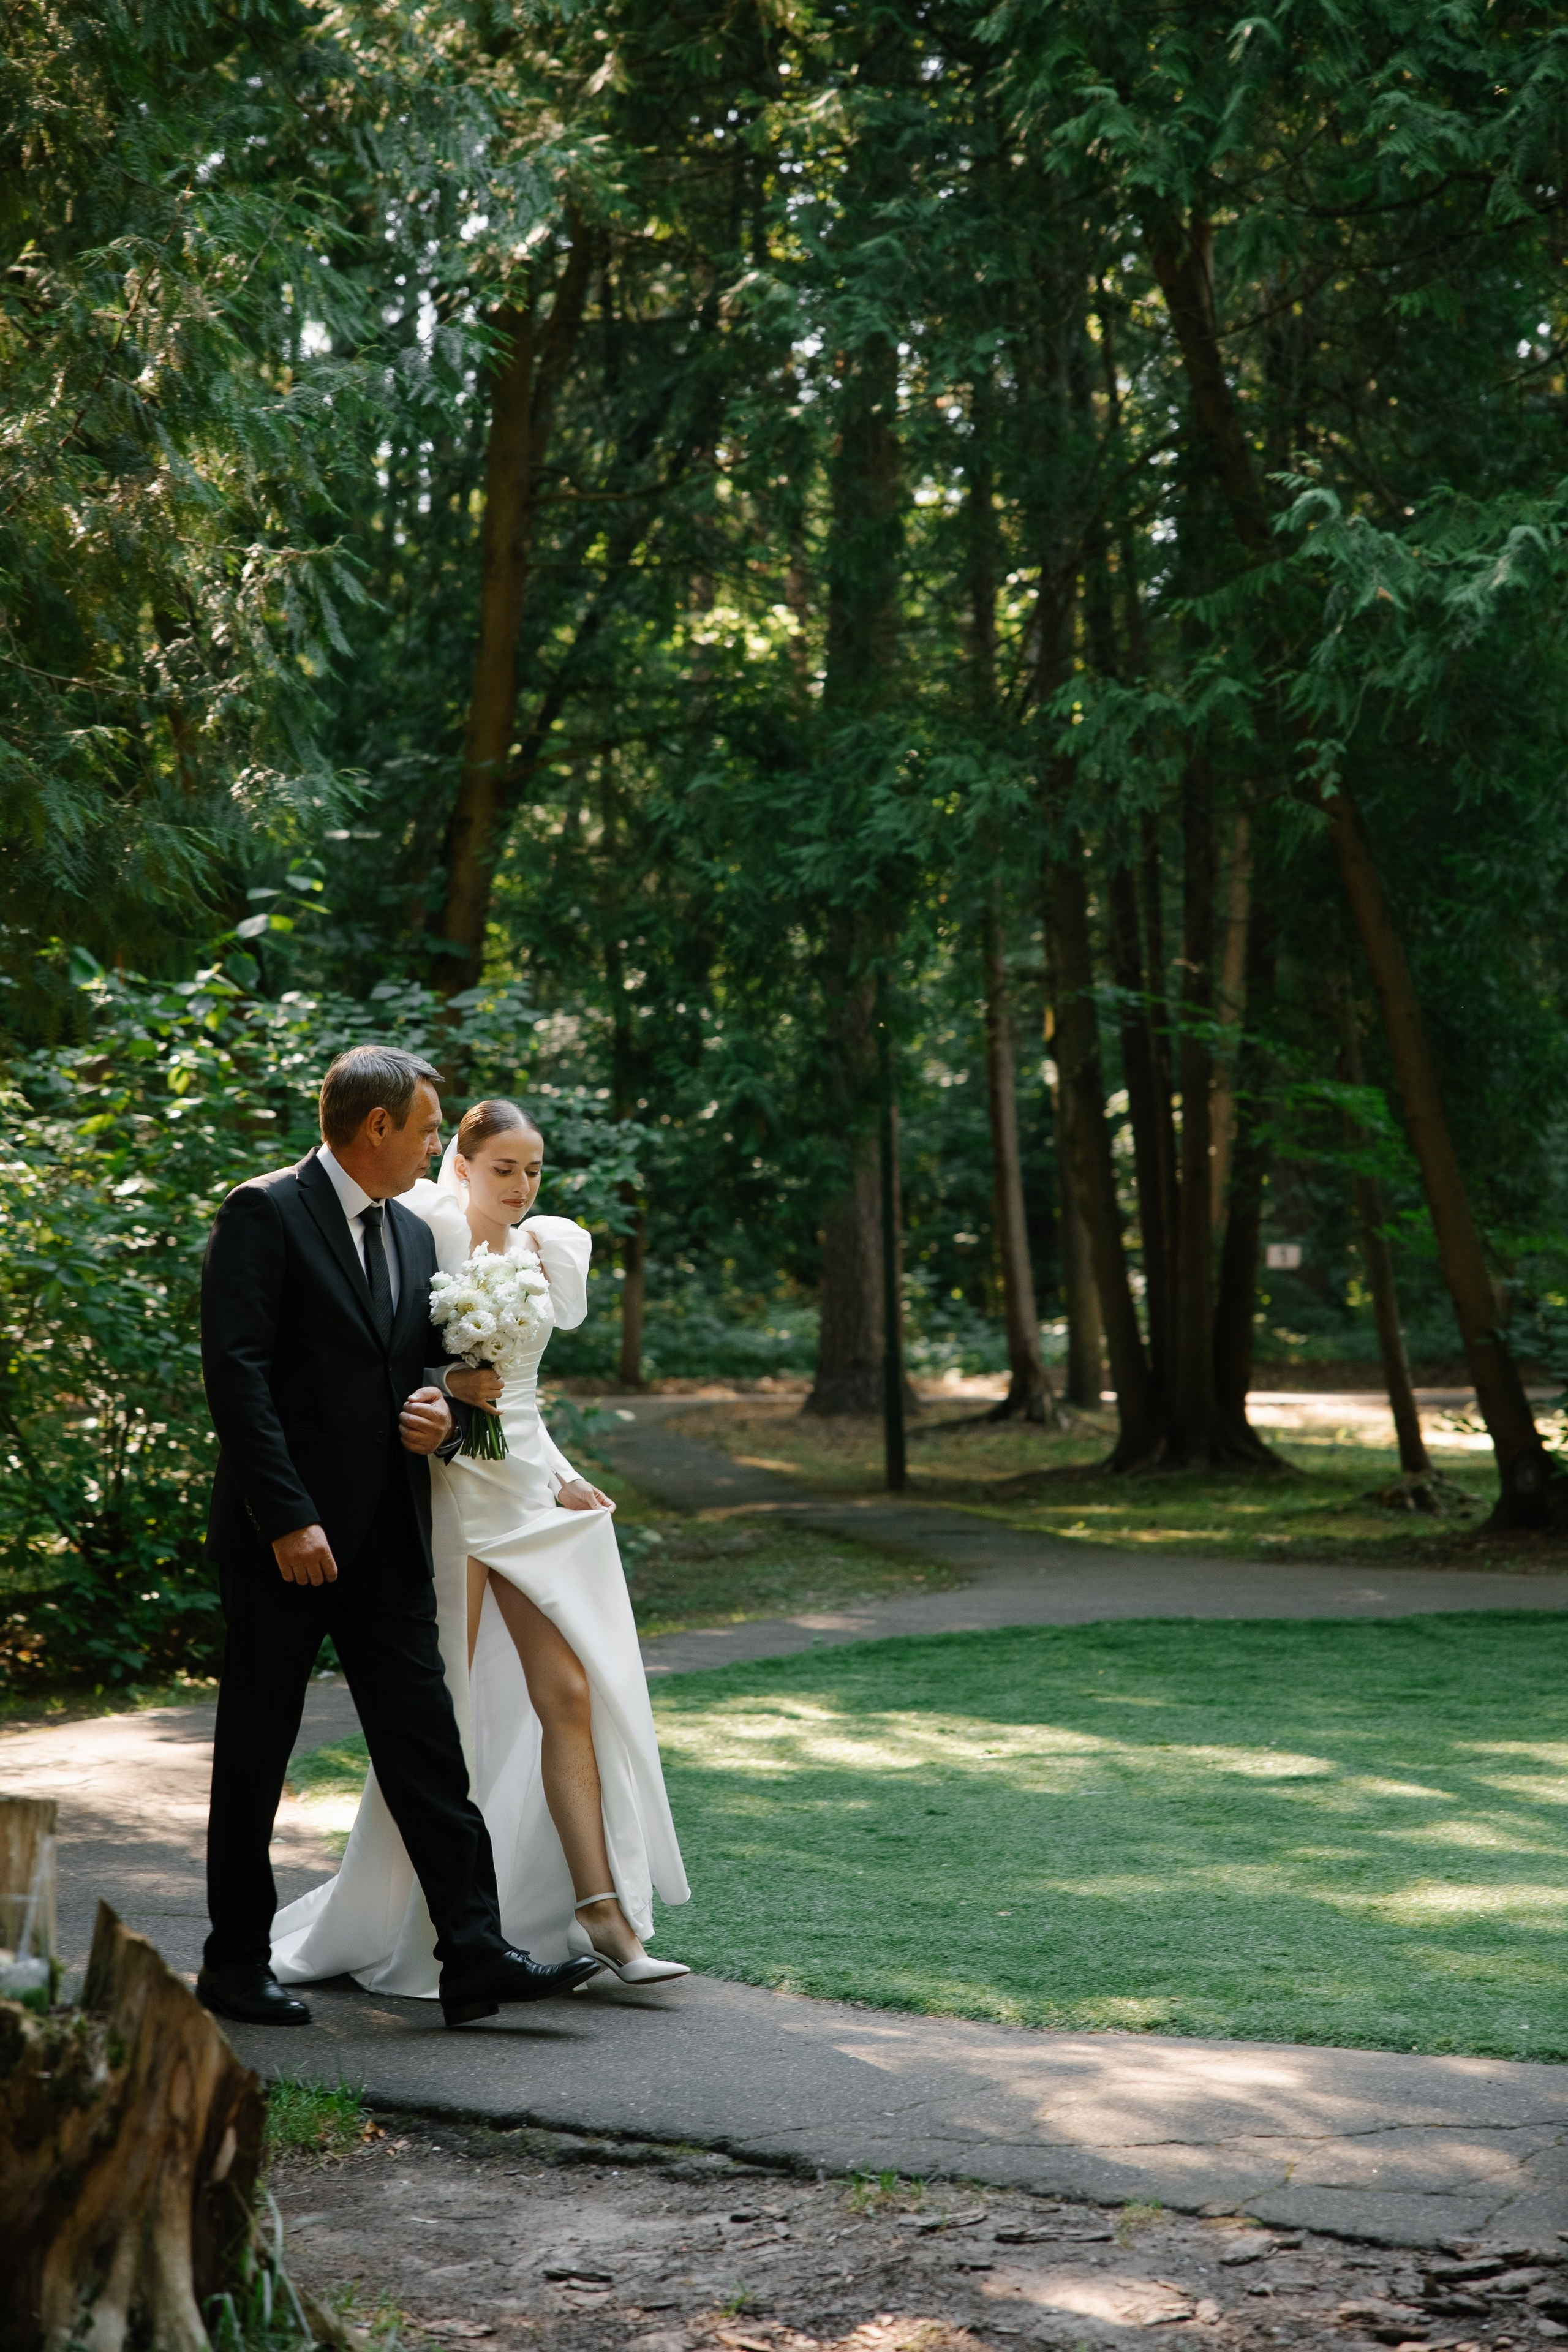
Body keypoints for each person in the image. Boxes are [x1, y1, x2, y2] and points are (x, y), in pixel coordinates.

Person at [197, 1046, 601, 2030]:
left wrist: (437, 1411)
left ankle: (472, 1951)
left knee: (426, 1744)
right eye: (428, 1128)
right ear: (376, 1128)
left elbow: (415, 1369)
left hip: (385, 1535)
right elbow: (237, 1376)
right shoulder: (265, 1211)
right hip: (284, 1538)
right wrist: (289, 1517)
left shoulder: (412, 1233)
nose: (438, 1144)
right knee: (258, 1747)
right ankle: (234, 1962)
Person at [271, 1098, 690, 1996]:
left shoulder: (547, 1247)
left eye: (534, 1169)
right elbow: (390, 1362)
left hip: (527, 1486)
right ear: (461, 1164)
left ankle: (603, 1911)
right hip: (447, 1487)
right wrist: (446, 1385)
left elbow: (523, 1397)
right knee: (443, 1710)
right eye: (505, 1168)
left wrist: (561, 1472)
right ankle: (424, 1919)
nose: (523, 1185)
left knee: (570, 1690)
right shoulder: (422, 1229)